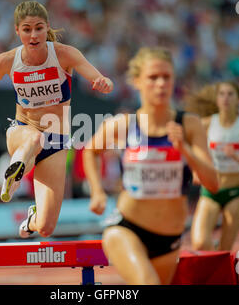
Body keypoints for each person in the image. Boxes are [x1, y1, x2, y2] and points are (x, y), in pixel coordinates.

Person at [0, 1, 113, 238]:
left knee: (46, 228)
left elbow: (98, 78)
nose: (34, 34)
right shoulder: (7, 60)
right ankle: (14, 175)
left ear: (47, 27)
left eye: (38, 28)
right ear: (17, 31)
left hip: (56, 142)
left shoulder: (64, 55)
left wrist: (104, 83)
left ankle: (30, 219)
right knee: (35, 137)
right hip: (23, 131)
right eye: (26, 29)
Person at [83, 47, 218, 285]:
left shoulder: (189, 124)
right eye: (153, 77)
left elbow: (212, 183)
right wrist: (97, 191)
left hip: (169, 238)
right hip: (126, 228)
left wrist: (185, 149)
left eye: (166, 77)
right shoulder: (125, 124)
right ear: (137, 81)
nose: (161, 84)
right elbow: (90, 150)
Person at [186, 81, 239, 251]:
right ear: (217, 99)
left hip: (235, 192)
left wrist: (237, 157)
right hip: (211, 191)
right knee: (200, 243)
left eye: (230, 94)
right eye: (222, 94)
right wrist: (197, 168)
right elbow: (187, 145)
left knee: (225, 249)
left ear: (238, 99)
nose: (225, 98)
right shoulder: (206, 124)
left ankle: (222, 267)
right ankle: (215, 258)